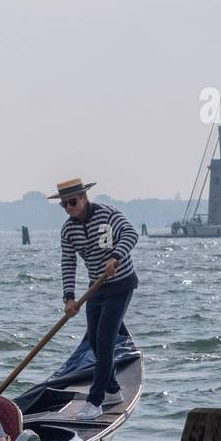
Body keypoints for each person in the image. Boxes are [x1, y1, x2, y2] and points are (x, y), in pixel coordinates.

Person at [50, 177, 138, 420]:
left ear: (84, 197)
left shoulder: (107, 215)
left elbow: (131, 233)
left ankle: (95, 400)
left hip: (121, 284)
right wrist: (69, 297)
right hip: (96, 288)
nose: (69, 207)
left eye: (72, 201)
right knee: (96, 344)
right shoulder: (68, 230)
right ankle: (112, 390)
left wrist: (116, 257)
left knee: (105, 339)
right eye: (64, 204)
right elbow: (68, 263)